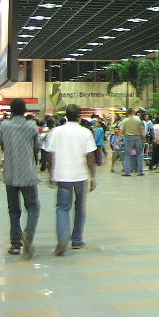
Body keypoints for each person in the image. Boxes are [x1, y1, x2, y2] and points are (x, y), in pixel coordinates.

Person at [47, 104, 96, 256]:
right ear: (79, 116)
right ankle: (77, 239)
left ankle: (62, 240)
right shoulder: (85, 132)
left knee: (62, 208)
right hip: (80, 175)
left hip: (62, 175)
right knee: (80, 208)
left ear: (66, 115)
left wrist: (51, 173)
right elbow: (90, 156)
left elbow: (50, 154)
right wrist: (93, 175)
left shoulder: (56, 131)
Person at [0, 99, 41, 259]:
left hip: (10, 173)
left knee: (14, 210)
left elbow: (1, 145)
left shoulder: (4, 126)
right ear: (25, 111)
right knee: (33, 207)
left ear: (11, 111)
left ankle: (15, 245)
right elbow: (37, 147)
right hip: (28, 174)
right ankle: (28, 234)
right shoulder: (31, 126)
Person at [119, 109, 144, 177]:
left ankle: (127, 171)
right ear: (133, 112)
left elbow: (121, 131)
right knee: (139, 154)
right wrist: (143, 139)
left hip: (129, 138)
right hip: (138, 138)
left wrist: (118, 140)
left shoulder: (125, 121)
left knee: (127, 155)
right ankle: (140, 171)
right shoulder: (138, 120)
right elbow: (141, 130)